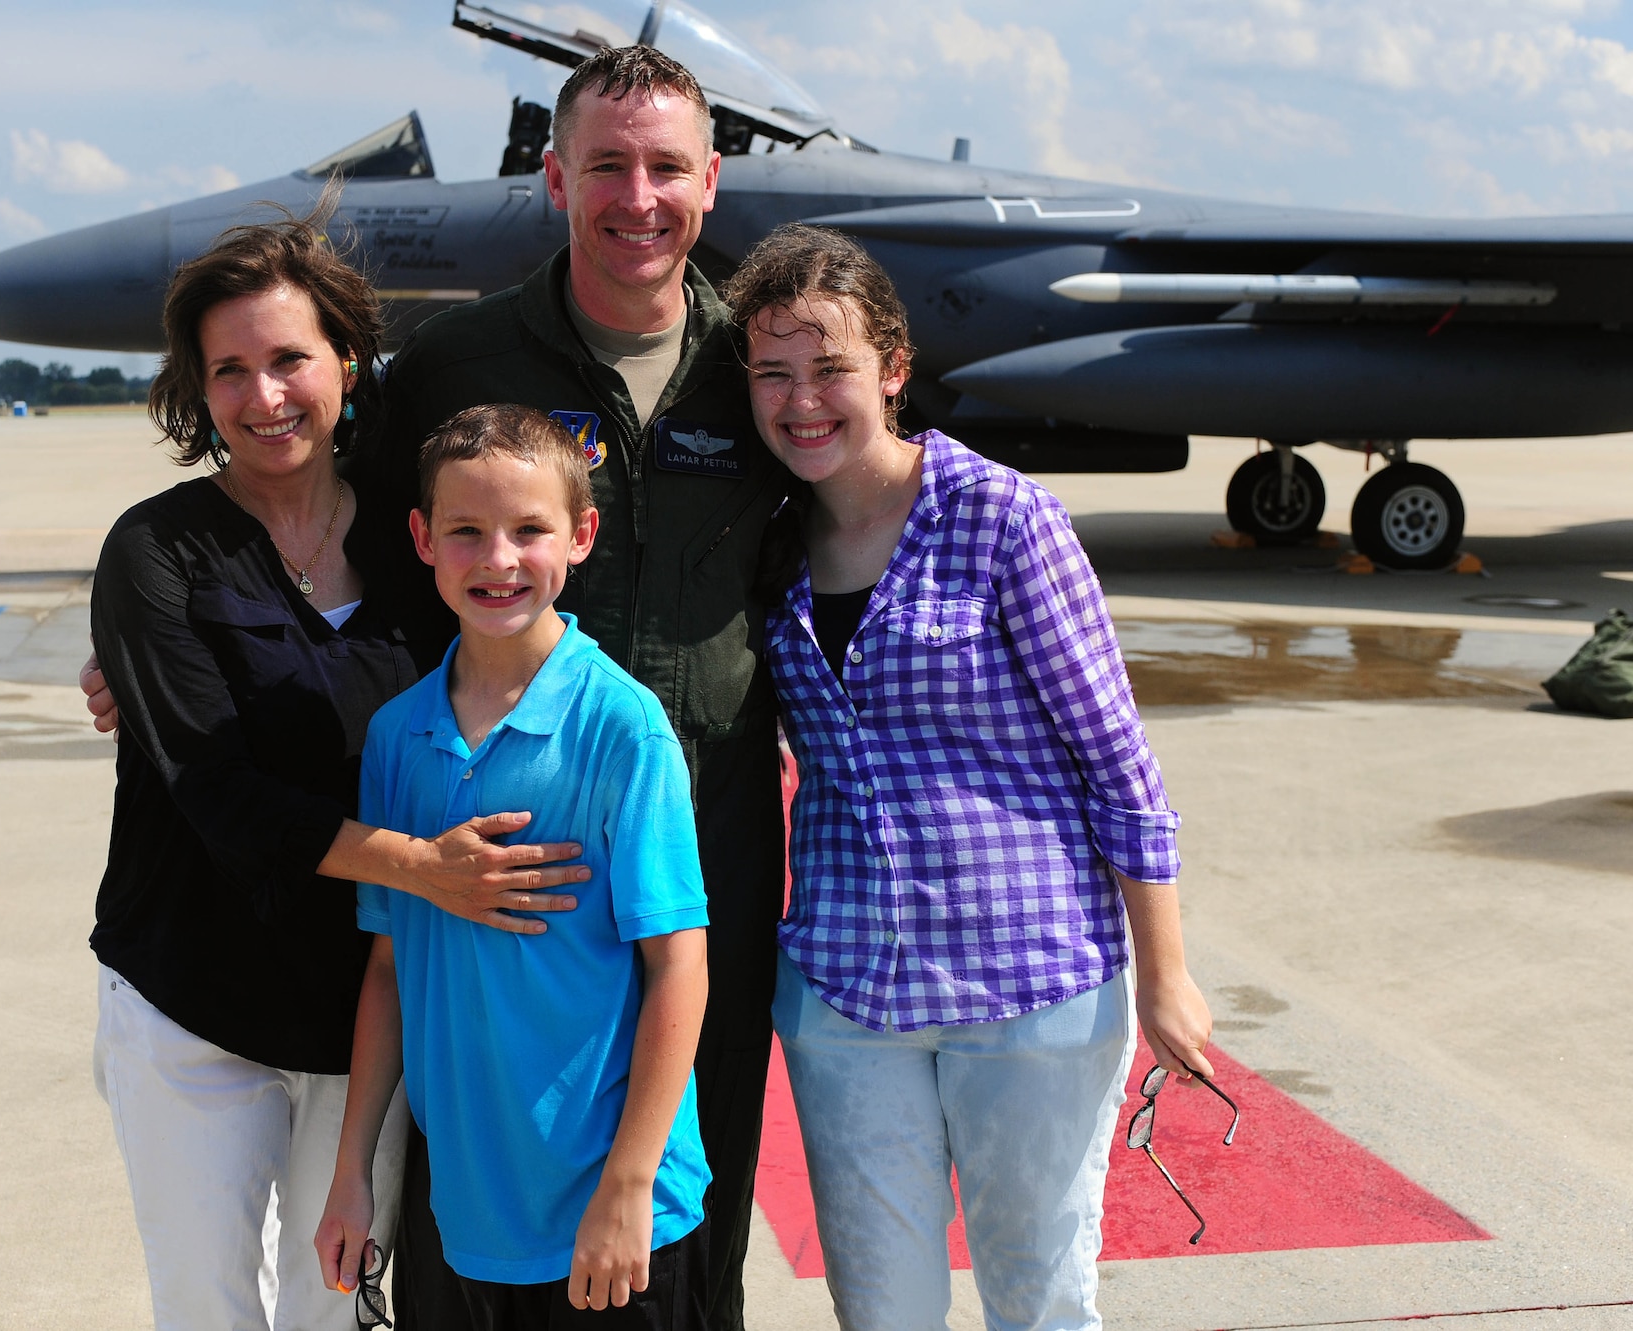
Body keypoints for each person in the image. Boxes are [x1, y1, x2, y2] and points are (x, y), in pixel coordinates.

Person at [87, 206, 590, 1331]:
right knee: (208, 1304)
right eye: (231, 370)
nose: (264, 396)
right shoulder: (156, 552)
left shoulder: (428, 543)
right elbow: (216, 793)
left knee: (343, 1310)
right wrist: (421, 865)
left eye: (288, 359)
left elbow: (531, 640)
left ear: (347, 364)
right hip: (192, 1002)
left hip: (373, 1011)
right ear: (197, 390)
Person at [724, 223, 1214, 1331]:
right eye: (772, 373)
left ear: (891, 369)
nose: (802, 399)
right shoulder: (763, 542)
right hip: (846, 989)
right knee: (879, 1310)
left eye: (830, 367)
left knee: (1035, 1298)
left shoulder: (1001, 518)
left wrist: (1164, 970)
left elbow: (1116, 758)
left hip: (1029, 981)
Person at [367, 47, 787, 1331]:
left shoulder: (761, 366)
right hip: (516, 847)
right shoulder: (454, 360)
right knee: (497, 1157)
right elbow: (343, 538)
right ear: (555, 177)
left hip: (706, 825)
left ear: (712, 181)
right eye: (605, 164)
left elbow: (871, 510)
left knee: (688, 1164)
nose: (637, 196)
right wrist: (149, 640)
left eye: (667, 166)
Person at [316, 404, 712, 1330]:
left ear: (581, 536)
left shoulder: (623, 726)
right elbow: (388, 969)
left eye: (529, 529)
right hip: (468, 1210)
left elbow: (678, 966)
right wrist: (350, 1175)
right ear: (422, 539)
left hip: (616, 1215)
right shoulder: (396, 737)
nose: (498, 558)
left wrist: (628, 1183)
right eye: (467, 531)